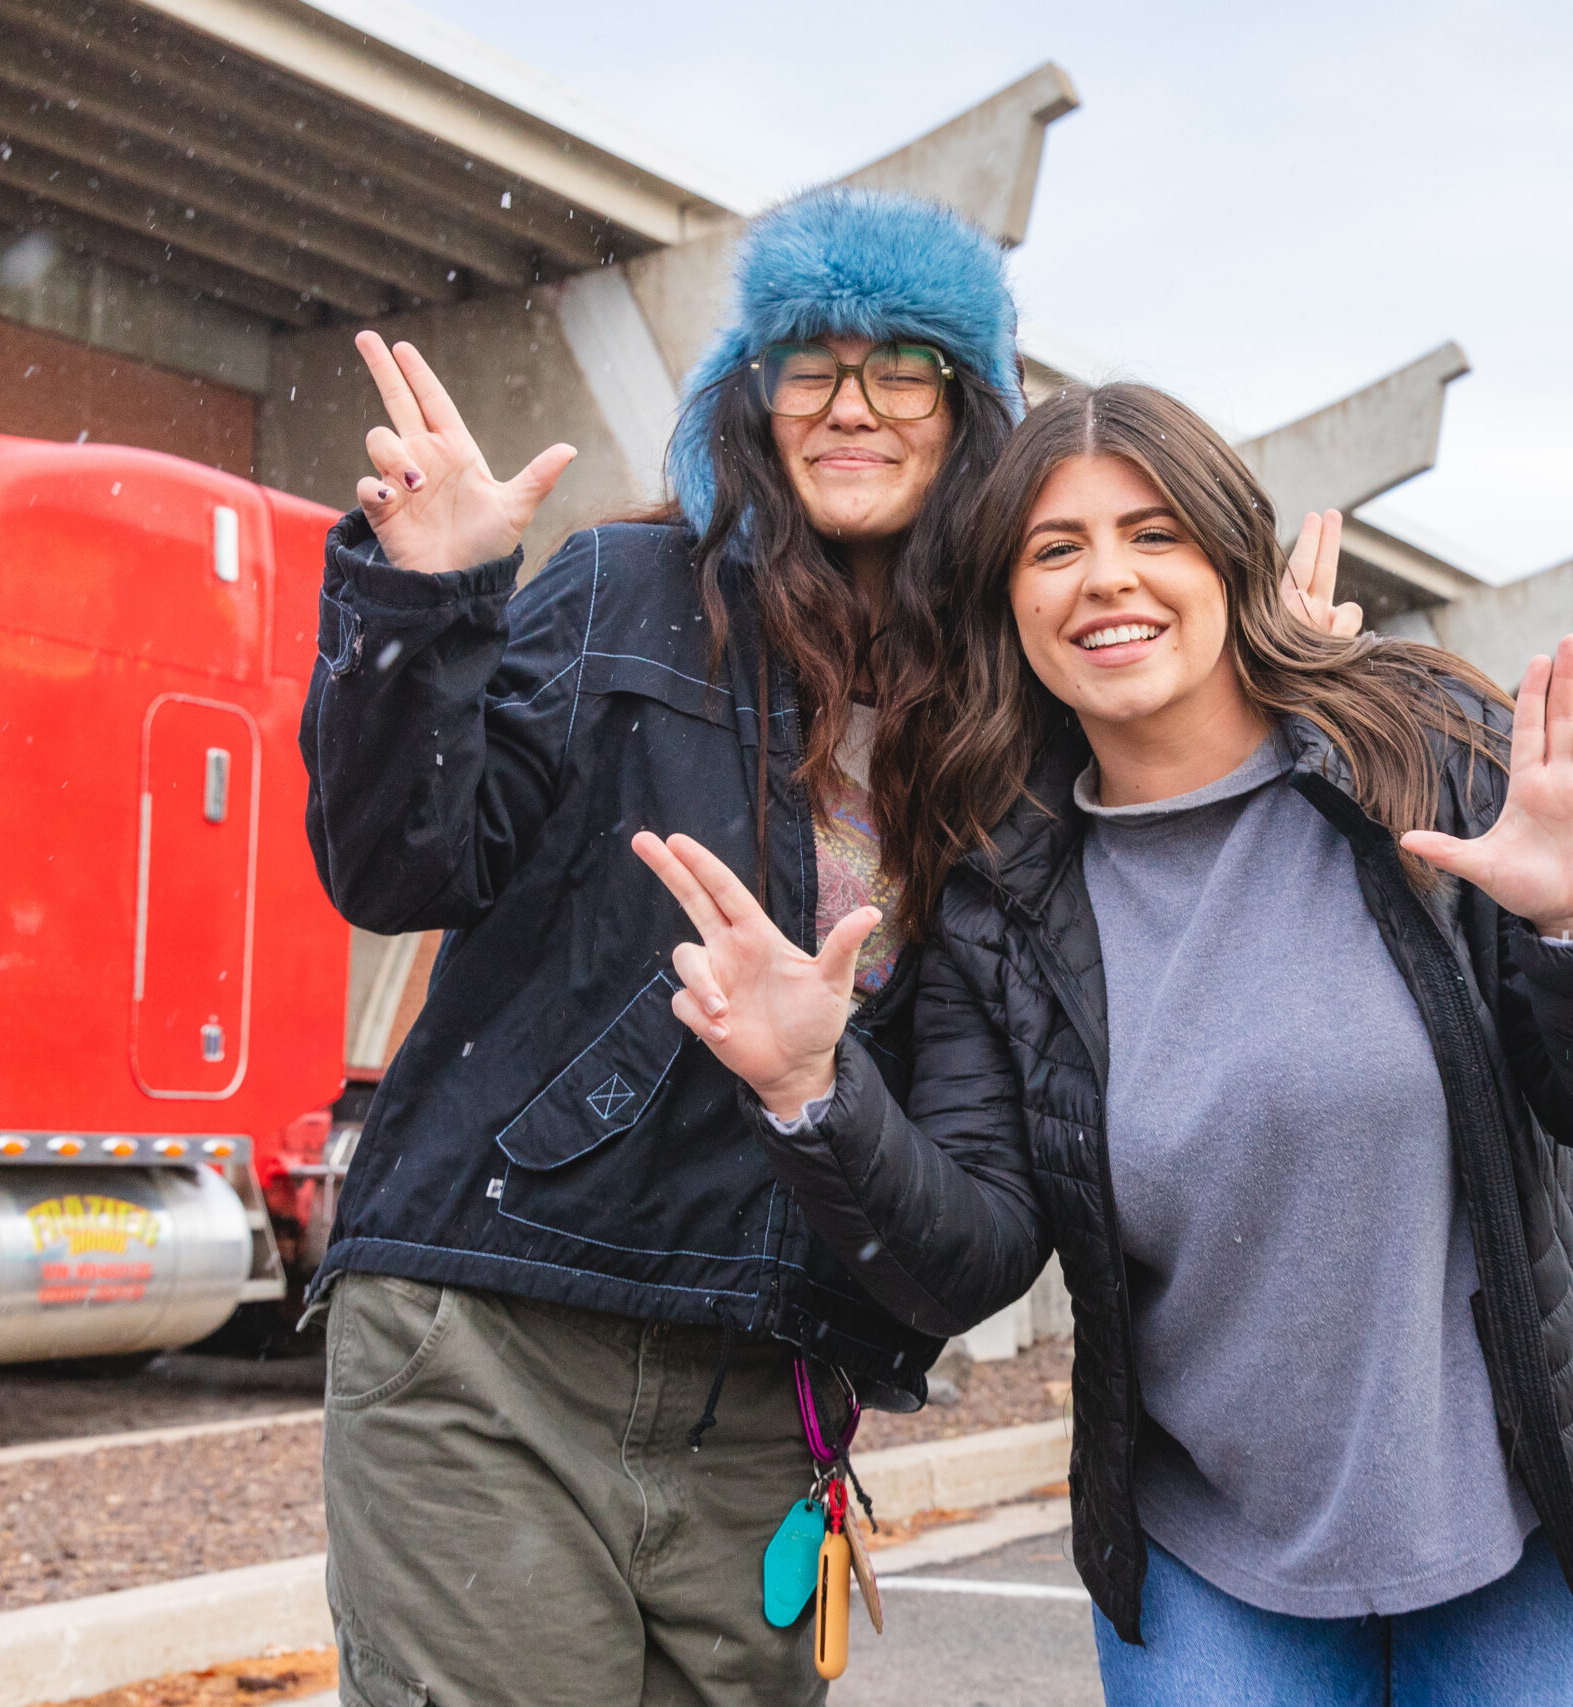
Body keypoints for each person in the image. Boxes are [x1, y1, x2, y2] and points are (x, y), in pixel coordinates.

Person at [636, 383, 1573, 1704]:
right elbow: (970, 1254)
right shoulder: (1003, 891)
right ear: (1008, 600)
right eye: (1056, 548)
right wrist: (815, 1088)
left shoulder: (1424, 757)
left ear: (1227, 558)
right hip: (1218, 1552)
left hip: (1534, 1505)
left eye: (1154, 534)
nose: (1108, 579)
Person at [296, 188, 1054, 1706]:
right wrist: (425, 600)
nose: (850, 405)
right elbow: (397, 861)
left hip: (766, 1402)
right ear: (748, 396)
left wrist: (818, 1091)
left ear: (969, 413)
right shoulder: (621, 596)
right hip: (488, 1338)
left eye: (902, 365)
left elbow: (975, 1224)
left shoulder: (1000, 734)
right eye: (806, 363)